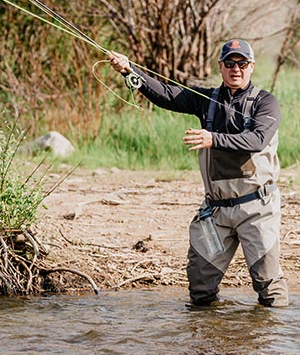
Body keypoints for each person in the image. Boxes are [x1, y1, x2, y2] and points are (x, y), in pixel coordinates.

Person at [107, 39, 289, 307]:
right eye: (229, 63)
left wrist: (213, 139)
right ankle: (208, 339)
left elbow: (257, 140)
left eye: (241, 63)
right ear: (220, 67)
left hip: (257, 210)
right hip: (215, 211)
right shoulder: (207, 101)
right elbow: (167, 95)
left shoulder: (266, 103)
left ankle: (270, 344)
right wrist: (129, 70)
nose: (235, 69)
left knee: (268, 285)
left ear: (251, 66)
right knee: (200, 286)